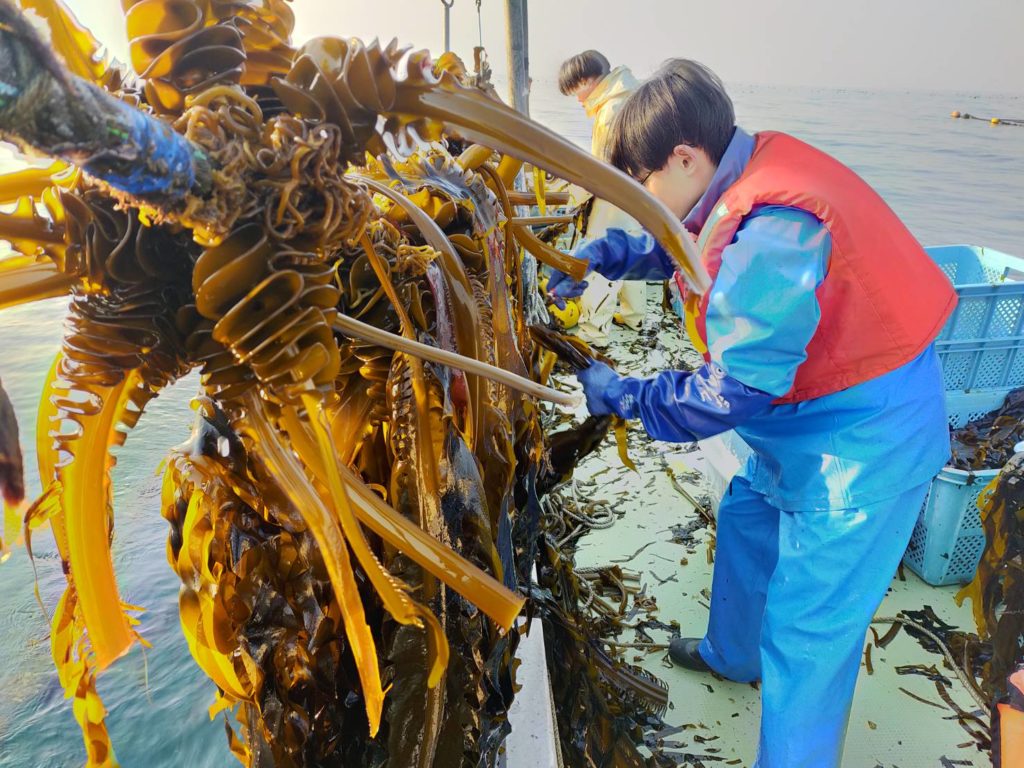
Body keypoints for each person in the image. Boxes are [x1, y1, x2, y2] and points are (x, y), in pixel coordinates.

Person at [547, 59, 957, 768]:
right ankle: (731, 655)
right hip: (804, 416)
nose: (641, 200)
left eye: (640, 186)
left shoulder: (778, 228)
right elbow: (697, 245)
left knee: (807, 631)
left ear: (684, 157)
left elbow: (729, 393)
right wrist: (616, 255)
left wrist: (626, 395)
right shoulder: (736, 171)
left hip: (864, 436)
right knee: (745, 515)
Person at [556, 50, 647, 345]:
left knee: (603, 256)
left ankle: (594, 333)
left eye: (575, 90)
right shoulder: (630, 95)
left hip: (616, 193)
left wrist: (572, 194)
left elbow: (603, 168)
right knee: (631, 252)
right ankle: (636, 317)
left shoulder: (611, 111)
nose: (577, 98)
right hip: (639, 191)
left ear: (587, 79)